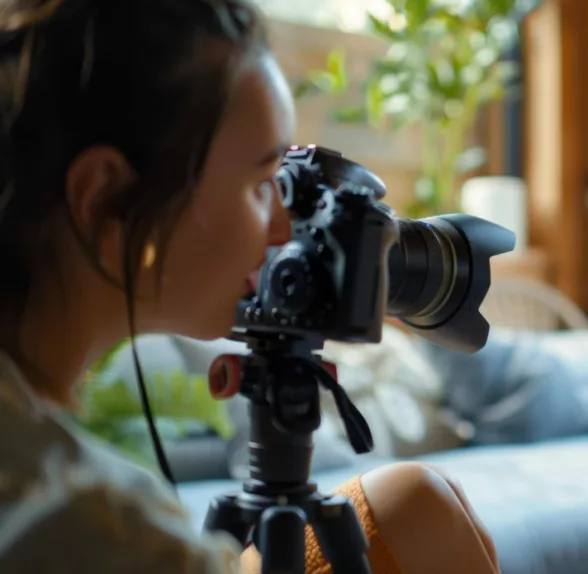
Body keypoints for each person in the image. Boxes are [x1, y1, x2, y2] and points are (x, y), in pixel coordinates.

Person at [0, 1, 499, 573]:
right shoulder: (92, 527)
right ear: (104, 198)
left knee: (409, 503)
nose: (284, 231)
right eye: (262, 184)